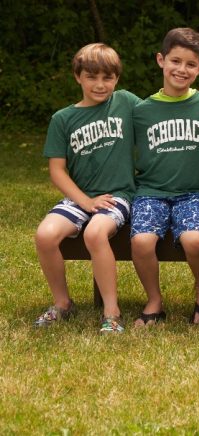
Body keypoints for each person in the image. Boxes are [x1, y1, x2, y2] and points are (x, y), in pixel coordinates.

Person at [35, 44, 139, 333]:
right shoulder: (63, 119)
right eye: (92, 76)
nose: (100, 84)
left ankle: (111, 311)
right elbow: (57, 169)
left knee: (95, 232)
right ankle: (63, 303)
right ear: (77, 77)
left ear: (117, 79)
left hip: (118, 194)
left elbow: (163, 109)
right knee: (45, 235)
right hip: (79, 196)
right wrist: (85, 201)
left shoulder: (126, 102)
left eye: (108, 77)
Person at [130, 28, 199, 327]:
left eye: (190, 64)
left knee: (194, 240)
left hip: (195, 192)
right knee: (142, 241)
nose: (182, 70)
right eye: (175, 61)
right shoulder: (141, 111)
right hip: (151, 191)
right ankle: (154, 300)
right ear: (161, 60)